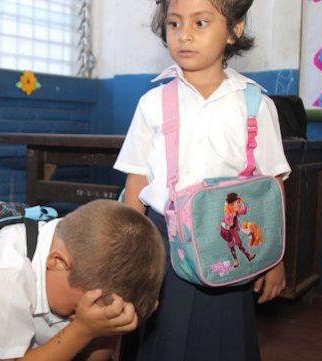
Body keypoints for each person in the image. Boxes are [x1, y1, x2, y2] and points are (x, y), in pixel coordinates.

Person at [114, 0, 291, 360]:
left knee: (224, 341)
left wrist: (274, 258)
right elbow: (136, 185)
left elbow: (270, 187)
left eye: (201, 22)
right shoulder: (152, 103)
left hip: (228, 242)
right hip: (163, 243)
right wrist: (129, 259)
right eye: (175, 24)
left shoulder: (255, 104)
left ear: (234, 29)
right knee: (159, 342)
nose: (185, 35)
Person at [0, 199, 166, 361]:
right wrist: (83, 330)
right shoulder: (4, 271)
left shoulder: (76, 252)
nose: (85, 315)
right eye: (76, 309)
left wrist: (105, 328)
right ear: (58, 262)